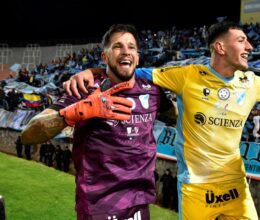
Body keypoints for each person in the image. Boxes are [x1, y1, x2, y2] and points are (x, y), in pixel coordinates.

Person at [64, 21, 260, 220]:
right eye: (241, 40)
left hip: (235, 184)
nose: (250, 46)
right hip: (195, 188)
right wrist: (91, 71)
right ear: (220, 47)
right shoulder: (186, 76)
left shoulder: (252, 83)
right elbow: (131, 70)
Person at [21, 24, 173, 220]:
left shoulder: (153, 90)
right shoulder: (84, 89)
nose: (126, 51)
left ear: (137, 55)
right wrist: (73, 113)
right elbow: (28, 134)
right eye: (118, 46)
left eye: (131, 47)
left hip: (139, 202)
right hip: (99, 206)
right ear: (104, 57)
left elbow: (175, 114)